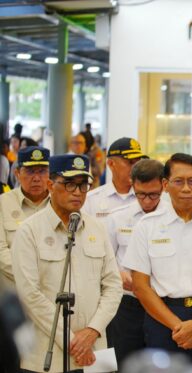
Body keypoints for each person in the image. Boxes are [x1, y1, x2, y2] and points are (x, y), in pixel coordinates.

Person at [11, 154, 123, 372]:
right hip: (48, 351)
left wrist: (92, 331)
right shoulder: (29, 231)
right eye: (70, 184)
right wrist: (73, 341)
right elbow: (29, 294)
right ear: (50, 185)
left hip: (95, 350)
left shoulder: (97, 228)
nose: (78, 193)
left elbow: (113, 286)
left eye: (83, 186)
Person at [123, 153, 192, 372]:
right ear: (165, 185)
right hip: (163, 320)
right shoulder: (147, 226)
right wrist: (179, 327)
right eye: (178, 181)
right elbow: (141, 287)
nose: (186, 188)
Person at [105, 159, 168, 364]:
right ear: (133, 186)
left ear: (164, 185)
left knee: (162, 363)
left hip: (163, 303)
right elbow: (106, 257)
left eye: (153, 194)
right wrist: (118, 273)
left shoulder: (173, 216)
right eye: (141, 194)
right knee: (124, 361)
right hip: (128, 305)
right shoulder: (117, 217)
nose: (147, 201)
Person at [0, 146, 50, 286]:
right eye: (29, 171)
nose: (36, 178)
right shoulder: (3, 203)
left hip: (51, 293)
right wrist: (31, 276)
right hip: (13, 292)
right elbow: (1, 251)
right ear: (17, 173)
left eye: (42, 171)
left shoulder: (60, 204)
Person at [83, 137, 147, 222]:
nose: (136, 168)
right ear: (111, 164)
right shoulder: (91, 200)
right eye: (130, 162)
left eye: (138, 162)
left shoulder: (148, 199)